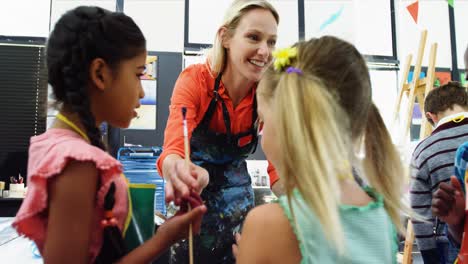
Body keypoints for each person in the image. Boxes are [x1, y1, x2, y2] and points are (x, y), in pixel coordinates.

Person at [12, 6, 206, 263]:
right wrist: (164, 239)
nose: (140, 92)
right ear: (100, 74)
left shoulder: (55, 143)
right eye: (138, 75)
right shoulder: (78, 161)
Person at [235, 36, 407, 263]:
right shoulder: (383, 216)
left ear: (289, 126)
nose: (263, 135)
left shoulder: (269, 224)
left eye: (264, 121)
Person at [156, 0, 280, 262]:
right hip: (191, 205)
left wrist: (304, 210)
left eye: (271, 42)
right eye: (253, 37)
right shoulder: (196, 81)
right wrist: (179, 172)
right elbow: (173, 151)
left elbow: (279, 167)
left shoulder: (267, 93)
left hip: (239, 213)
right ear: (225, 37)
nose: (264, 51)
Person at [409, 81, 468, 263]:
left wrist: (429, 256)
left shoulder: (424, 150)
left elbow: (420, 211)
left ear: (431, 116)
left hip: (450, 243)